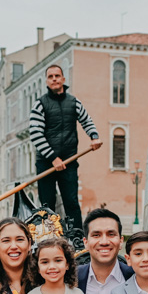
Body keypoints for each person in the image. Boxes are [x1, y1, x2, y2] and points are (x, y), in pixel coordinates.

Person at [29, 64, 102, 230]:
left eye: (57, 76)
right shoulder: (40, 105)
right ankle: (47, 238)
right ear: (47, 82)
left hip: (69, 160)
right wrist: (53, 158)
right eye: (50, 76)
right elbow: (35, 134)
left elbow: (86, 120)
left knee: (72, 202)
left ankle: (77, 239)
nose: (54, 79)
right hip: (46, 162)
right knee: (47, 205)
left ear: (63, 79)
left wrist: (94, 136)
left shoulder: (74, 102)